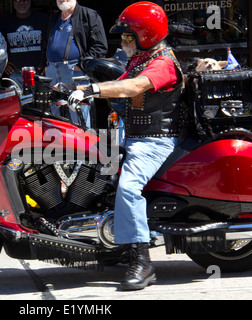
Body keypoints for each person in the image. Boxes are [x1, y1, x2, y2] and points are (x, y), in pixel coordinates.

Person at [68, 2, 184, 291]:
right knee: (89, 162)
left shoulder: (163, 63)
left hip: (154, 140)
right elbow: (118, 84)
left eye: (128, 36)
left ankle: (142, 262)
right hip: (132, 136)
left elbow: (133, 87)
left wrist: (91, 90)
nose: (123, 42)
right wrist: (66, 92)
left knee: (129, 187)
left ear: (146, 36)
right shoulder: (140, 59)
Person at [46, 0, 107, 128]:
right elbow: (45, 43)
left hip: (75, 71)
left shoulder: (89, 15)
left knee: (78, 111)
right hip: (52, 70)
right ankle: (60, 145)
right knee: (54, 114)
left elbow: (100, 46)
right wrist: (45, 64)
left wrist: (82, 64)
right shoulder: (53, 18)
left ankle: (83, 146)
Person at [0, 0, 48, 88]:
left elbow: (51, 43)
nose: (21, 3)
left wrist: (47, 63)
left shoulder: (44, 20)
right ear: (12, 2)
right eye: (17, 0)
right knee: (17, 102)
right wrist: (2, 62)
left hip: (39, 74)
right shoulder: (3, 23)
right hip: (15, 75)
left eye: (24, 0)